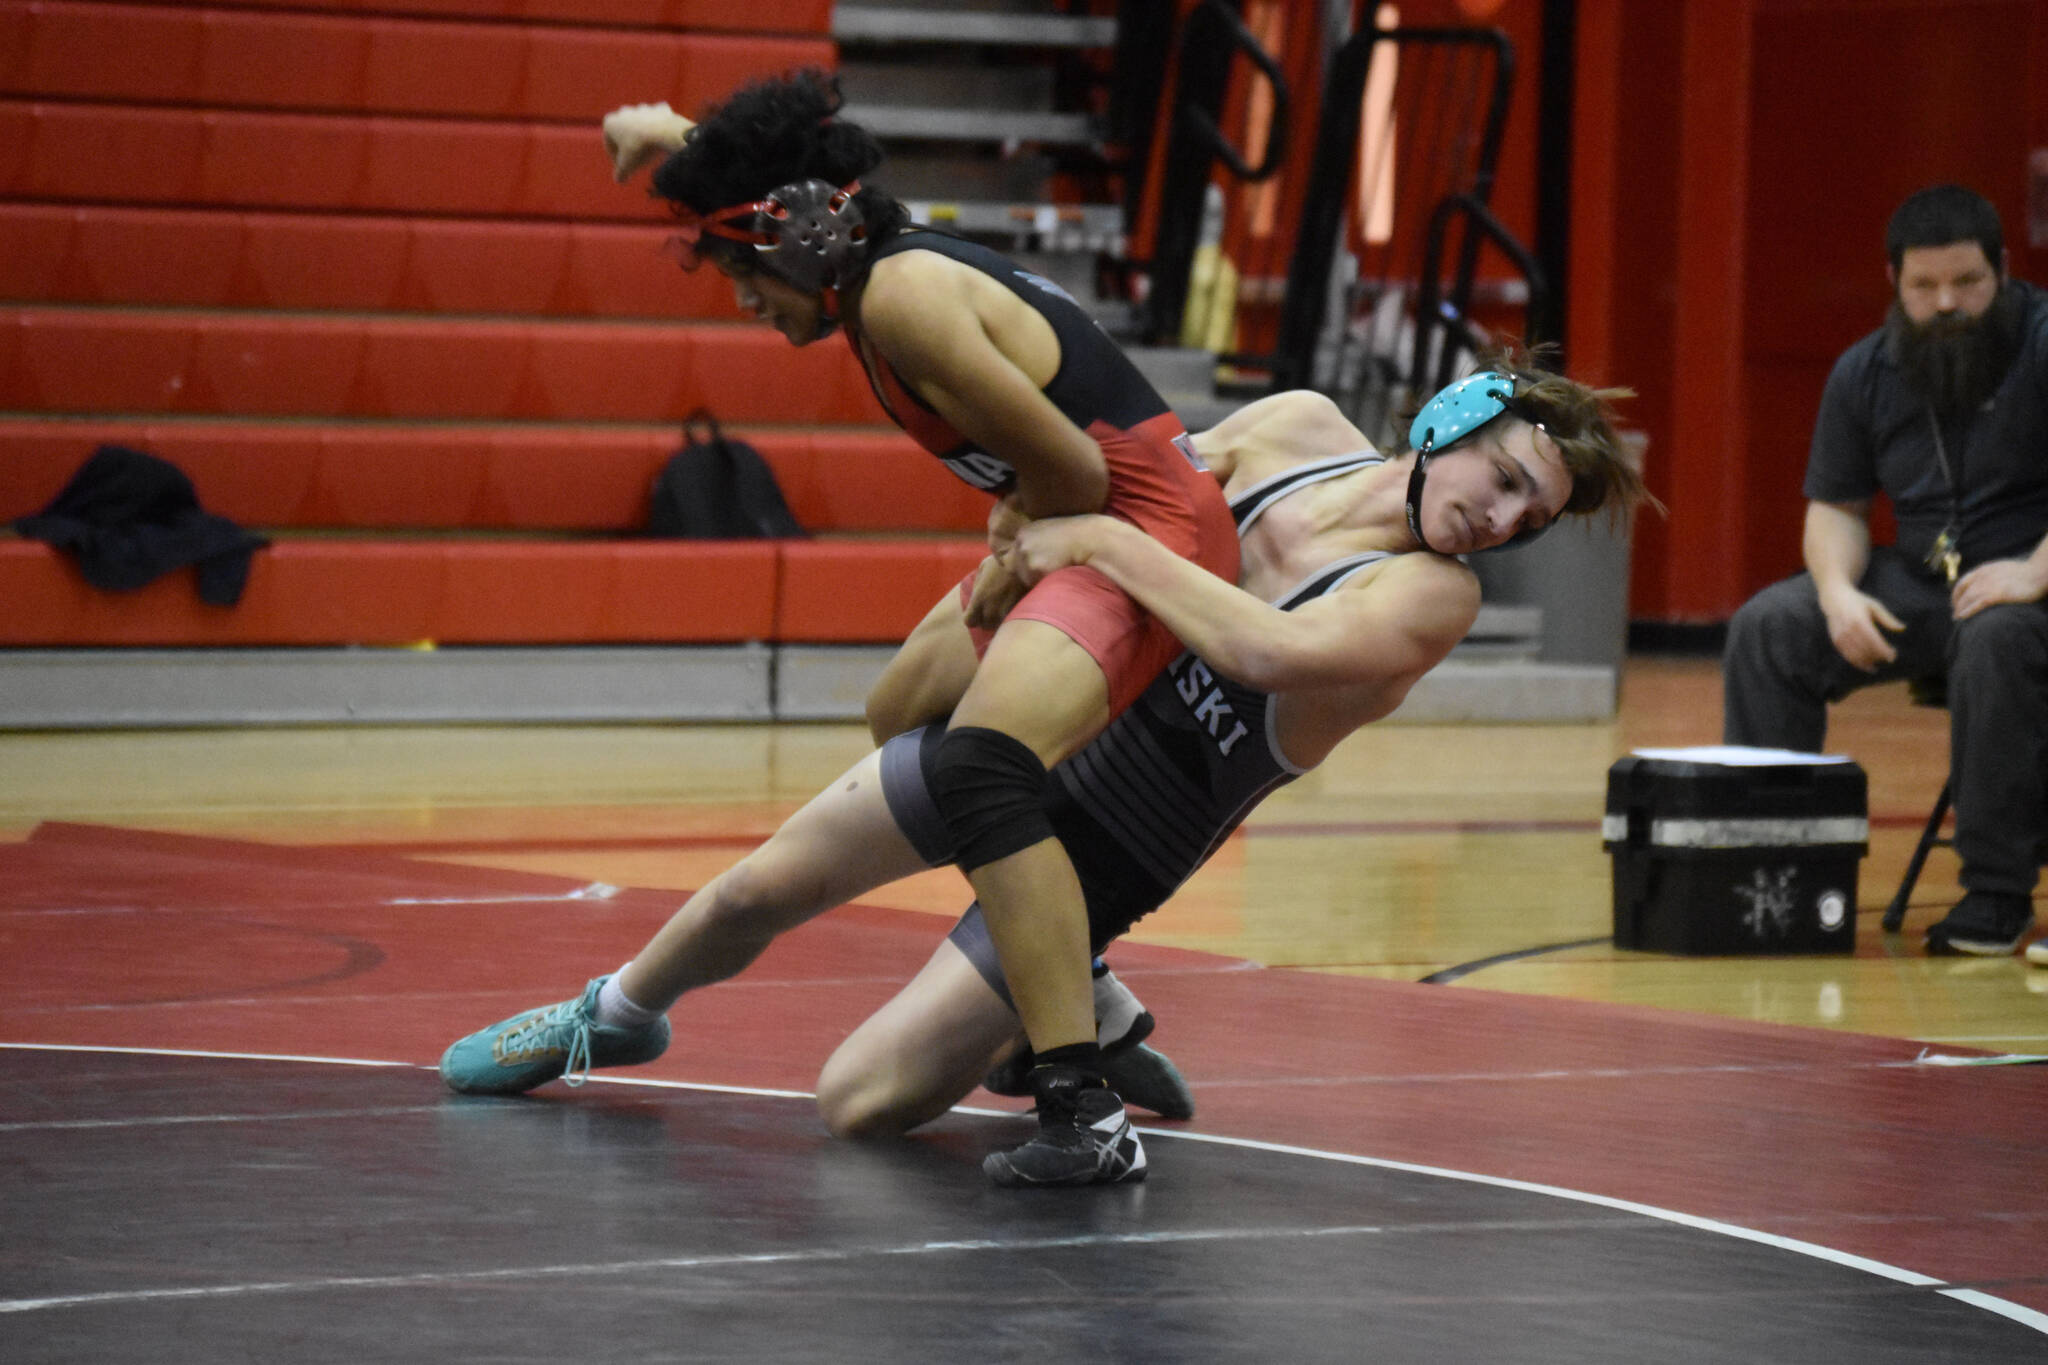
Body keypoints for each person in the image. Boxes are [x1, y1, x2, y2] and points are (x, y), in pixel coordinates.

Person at [440, 359, 1651, 1184]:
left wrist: (1105, 541)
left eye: (1528, 517)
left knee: (855, 1103)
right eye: (1501, 480)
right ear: (1448, 419)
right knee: (760, 887)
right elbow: (1136, 494)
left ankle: (1071, 992)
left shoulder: (1429, 596)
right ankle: (610, 1017)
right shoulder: (1293, 427)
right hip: (1042, 728)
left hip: (1123, 827)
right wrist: (1038, 524)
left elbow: (1264, 646)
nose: (1499, 520)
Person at [601, 70, 1241, 1183]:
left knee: (980, 770)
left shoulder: (900, 298)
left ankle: (1078, 1105)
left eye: (745, 279)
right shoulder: (862, 259)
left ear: (795, 241)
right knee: (899, 715)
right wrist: (664, 134)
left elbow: (1074, 471)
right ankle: (1068, 978)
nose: (744, 304)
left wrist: (1008, 557)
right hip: (1086, 517)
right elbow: (781, 168)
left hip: (1140, 535)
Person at [1721, 184, 2048, 960]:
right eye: (1923, 287)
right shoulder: (1865, 371)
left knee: (1998, 633)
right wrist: (1836, 594)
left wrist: (2033, 573)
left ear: (2002, 271)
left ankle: (1997, 894)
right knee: (1772, 627)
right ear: (1895, 285)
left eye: (1967, 282)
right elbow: (1836, 508)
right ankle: (1778, 879)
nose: (1946, 303)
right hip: (1928, 580)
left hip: (2033, 586)